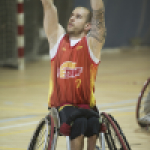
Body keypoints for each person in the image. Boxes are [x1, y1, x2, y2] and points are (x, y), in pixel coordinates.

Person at [40, 0, 106, 150]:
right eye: (71, 15)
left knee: (92, 121)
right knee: (79, 121)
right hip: (61, 107)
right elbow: (48, 6)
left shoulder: (91, 45)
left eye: (78, 17)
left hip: (86, 105)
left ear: (87, 26)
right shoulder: (57, 40)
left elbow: (99, 15)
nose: (72, 18)